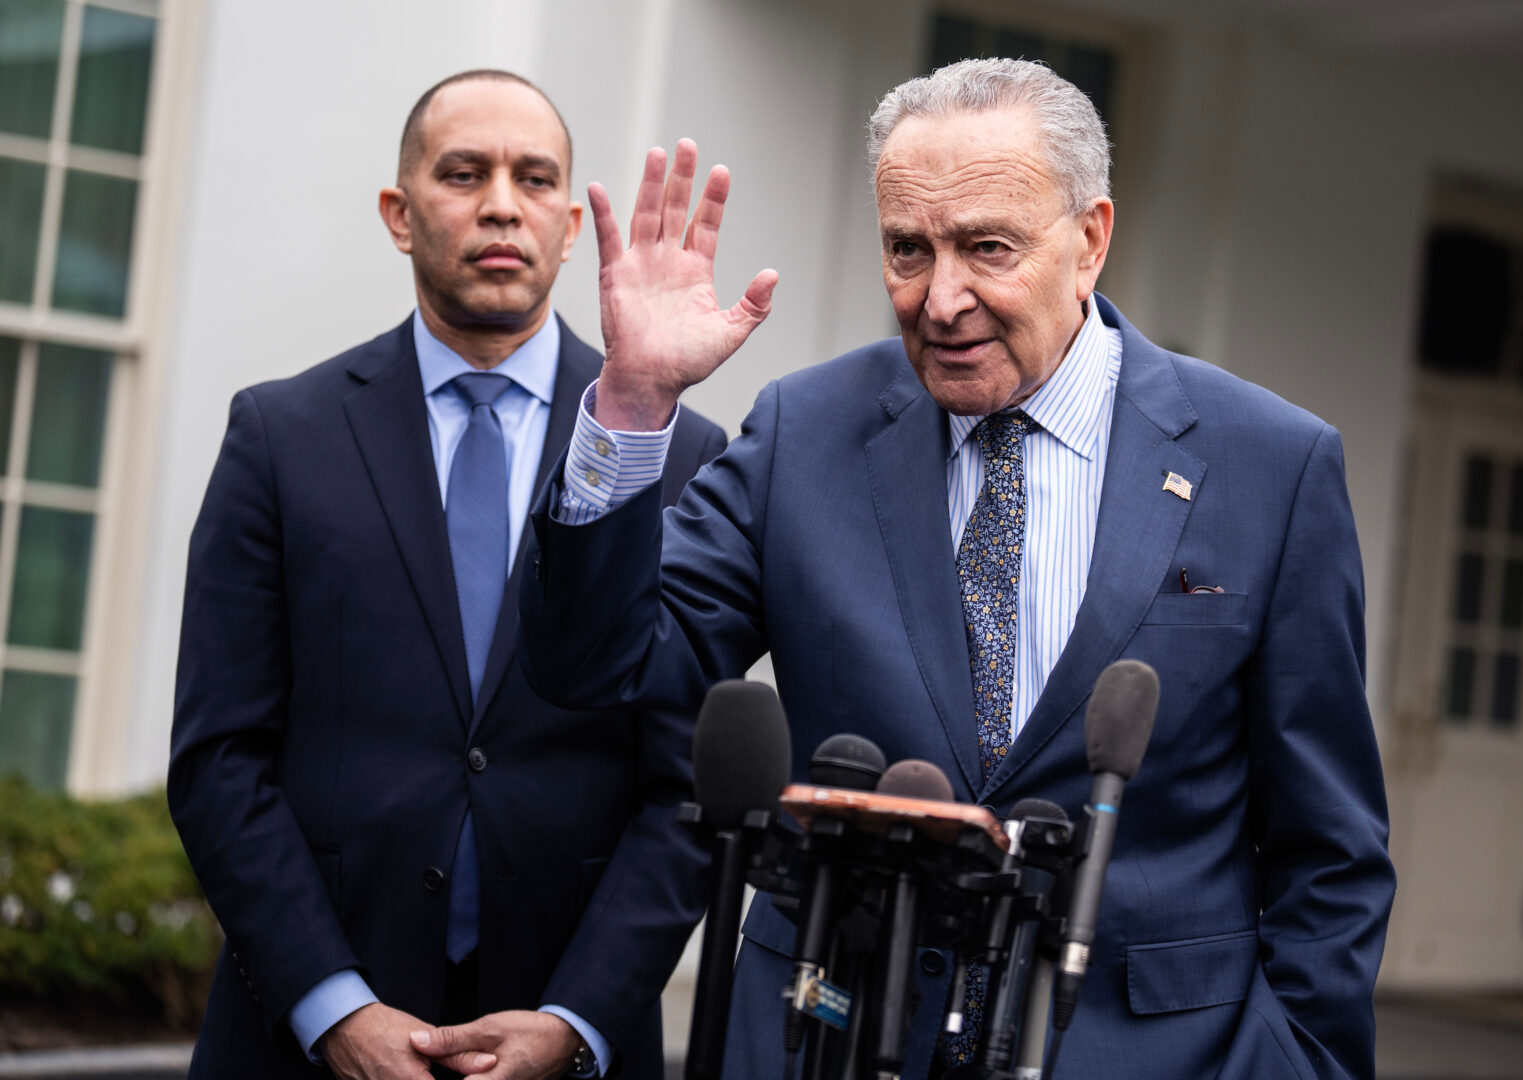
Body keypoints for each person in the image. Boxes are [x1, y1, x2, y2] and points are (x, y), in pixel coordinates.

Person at [427, 58, 1396, 1079]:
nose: (941, 299)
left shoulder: (1268, 465)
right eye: (908, 249)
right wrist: (630, 407)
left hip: (1154, 1050)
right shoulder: (807, 430)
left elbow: (1328, 847)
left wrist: (1303, 1063)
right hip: (826, 1034)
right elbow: (597, 667)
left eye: (988, 248)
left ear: (1090, 241)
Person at [168, 70, 725, 1080]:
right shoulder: (280, 437)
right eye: (463, 173)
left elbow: (685, 793)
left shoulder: (682, 456)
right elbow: (219, 763)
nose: (500, 202)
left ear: (566, 223)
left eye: (534, 178)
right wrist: (333, 1010)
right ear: (399, 212)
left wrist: (578, 1020)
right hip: (300, 1038)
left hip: (567, 1030)